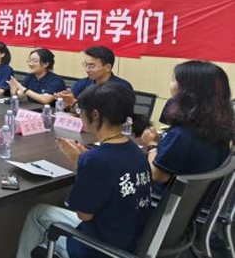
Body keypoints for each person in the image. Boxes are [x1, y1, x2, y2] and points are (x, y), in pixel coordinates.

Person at [16, 83, 152, 258]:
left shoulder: (96, 159)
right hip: (129, 238)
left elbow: (84, 215)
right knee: (41, 213)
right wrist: (85, 162)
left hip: (100, 248)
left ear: (95, 115)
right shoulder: (136, 150)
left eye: (80, 110)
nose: (79, 115)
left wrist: (81, 164)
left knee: (37, 215)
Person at [141, 61, 233, 195]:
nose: (171, 83)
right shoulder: (220, 126)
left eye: (174, 79)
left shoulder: (181, 134)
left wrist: (152, 145)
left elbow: (157, 175)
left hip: (163, 200)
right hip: (196, 200)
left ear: (188, 90)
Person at [54, 46, 133, 108]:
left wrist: (74, 102)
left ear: (107, 67)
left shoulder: (122, 88)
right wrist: (65, 100)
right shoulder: (84, 83)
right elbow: (70, 103)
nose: (87, 69)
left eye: (92, 66)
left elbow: (105, 114)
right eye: (85, 64)